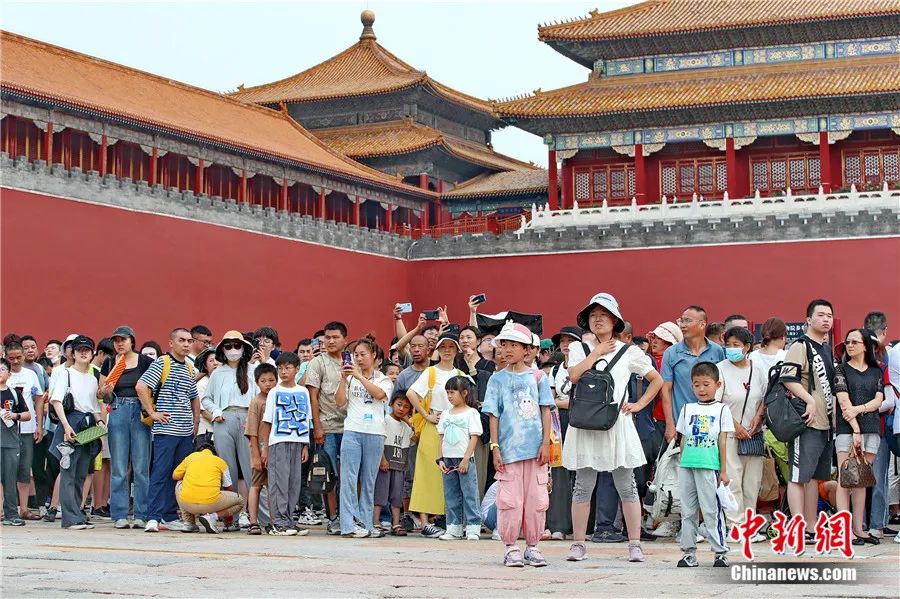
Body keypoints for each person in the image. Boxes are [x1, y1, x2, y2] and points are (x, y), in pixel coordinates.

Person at [563, 293, 663, 563]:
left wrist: (639, 404)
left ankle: (634, 544)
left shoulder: (629, 351)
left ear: (615, 321)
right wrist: (596, 352)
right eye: (593, 316)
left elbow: (656, 379)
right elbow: (573, 376)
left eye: (604, 315)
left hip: (616, 424)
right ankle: (579, 544)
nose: (597, 320)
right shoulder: (578, 348)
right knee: (583, 485)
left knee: (626, 484)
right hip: (585, 423)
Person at [482, 322, 554, 567]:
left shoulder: (538, 377)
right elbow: (494, 415)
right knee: (510, 501)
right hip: (509, 452)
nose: (509, 349)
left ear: (527, 350)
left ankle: (533, 546)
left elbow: (546, 411)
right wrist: (495, 447)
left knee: (536, 501)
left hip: (536, 452)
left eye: (515, 345)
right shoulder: (497, 380)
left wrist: (546, 443)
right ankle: (510, 546)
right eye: (505, 344)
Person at [779, 299, 836, 533]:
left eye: (829, 315)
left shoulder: (826, 348)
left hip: (826, 424)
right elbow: (788, 378)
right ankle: (798, 526)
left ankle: (811, 527)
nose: (826, 319)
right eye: (821, 315)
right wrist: (810, 400)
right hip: (808, 422)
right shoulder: (800, 346)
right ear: (808, 320)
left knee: (814, 477)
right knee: (798, 476)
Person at [136, 328, 200, 533]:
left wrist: (196, 421)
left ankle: (171, 516)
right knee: (160, 473)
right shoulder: (161, 363)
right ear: (171, 343)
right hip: (166, 430)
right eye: (182, 340)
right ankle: (153, 517)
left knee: (178, 476)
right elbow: (141, 386)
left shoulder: (190, 367)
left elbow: (193, 396)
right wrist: (152, 412)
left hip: (185, 431)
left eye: (189, 341)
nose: (186, 344)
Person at [407, 335, 466, 537]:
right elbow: (411, 393)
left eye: (451, 347)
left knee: (450, 474)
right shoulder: (430, 372)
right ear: (437, 350)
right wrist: (426, 415)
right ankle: (424, 523)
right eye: (443, 347)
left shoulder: (460, 374)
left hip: (455, 428)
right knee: (426, 473)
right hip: (433, 428)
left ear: (456, 350)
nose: (447, 351)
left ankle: (450, 520)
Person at [675, 362, 733, 568]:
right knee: (688, 511)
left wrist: (723, 470)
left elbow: (723, 440)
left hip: (710, 465)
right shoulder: (686, 409)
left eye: (706, 384)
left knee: (711, 511)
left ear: (717, 385)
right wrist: (682, 461)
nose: (701, 389)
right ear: (691, 386)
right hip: (687, 466)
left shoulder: (722, 409)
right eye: (697, 385)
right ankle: (688, 553)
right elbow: (682, 438)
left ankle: (720, 553)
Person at [335, 337, 393, 538]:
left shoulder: (383, 379)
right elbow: (340, 402)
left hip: (375, 433)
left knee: (369, 481)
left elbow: (379, 395)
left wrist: (359, 377)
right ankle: (348, 525)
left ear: (374, 355)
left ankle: (366, 524)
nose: (359, 359)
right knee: (349, 479)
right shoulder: (349, 378)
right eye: (355, 355)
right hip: (352, 430)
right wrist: (344, 378)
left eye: (363, 354)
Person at [98, 326, 155, 530]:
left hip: (140, 412)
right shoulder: (110, 363)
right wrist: (104, 391)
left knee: (141, 467)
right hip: (118, 409)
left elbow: (154, 387)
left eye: (123, 339)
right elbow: (101, 395)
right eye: (116, 340)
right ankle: (120, 514)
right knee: (119, 467)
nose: (119, 343)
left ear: (133, 340)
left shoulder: (146, 361)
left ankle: (141, 513)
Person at [202, 331, 258, 531]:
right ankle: (231, 519)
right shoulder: (218, 373)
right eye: (228, 346)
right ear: (222, 350)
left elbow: (261, 396)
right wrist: (216, 411)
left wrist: (254, 420)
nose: (233, 350)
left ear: (244, 349)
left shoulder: (253, 370)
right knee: (228, 470)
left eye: (237, 345)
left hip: (247, 420)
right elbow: (206, 399)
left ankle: (255, 518)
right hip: (223, 419)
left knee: (251, 469)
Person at [834, 329, 884, 545]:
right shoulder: (841, 369)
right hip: (847, 430)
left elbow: (879, 400)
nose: (850, 345)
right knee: (845, 480)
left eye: (855, 342)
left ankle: (859, 529)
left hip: (872, 428)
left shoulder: (876, 371)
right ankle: (844, 530)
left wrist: (859, 409)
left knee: (862, 480)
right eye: (847, 342)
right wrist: (855, 428)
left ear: (866, 346)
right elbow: (844, 403)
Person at [49, 335, 105, 530]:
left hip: (88, 426)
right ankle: (69, 518)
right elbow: (56, 401)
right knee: (68, 472)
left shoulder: (92, 378)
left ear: (92, 354)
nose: (83, 353)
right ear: (72, 353)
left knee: (82, 472)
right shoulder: (65, 374)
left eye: (87, 350)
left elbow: (94, 407)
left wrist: (100, 423)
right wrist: (65, 426)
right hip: (71, 422)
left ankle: (78, 515)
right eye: (79, 350)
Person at [717, 327, 767, 531]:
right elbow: (716, 402)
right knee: (733, 481)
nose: (731, 349)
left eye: (736, 345)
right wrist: (734, 426)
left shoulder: (757, 369)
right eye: (728, 345)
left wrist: (758, 418)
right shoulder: (720, 368)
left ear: (747, 347)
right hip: (729, 435)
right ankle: (735, 525)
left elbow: (764, 397)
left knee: (752, 483)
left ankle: (749, 526)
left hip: (753, 434)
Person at [305, 321, 349, 534]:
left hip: (351, 427)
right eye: (327, 337)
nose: (330, 341)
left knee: (350, 475)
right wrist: (317, 427)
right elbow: (312, 397)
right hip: (328, 427)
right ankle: (333, 518)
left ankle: (349, 515)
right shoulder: (318, 363)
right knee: (329, 475)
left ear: (344, 340)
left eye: (335, 337)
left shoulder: (352, 361)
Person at [260, 352, 310, 536]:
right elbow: (267, 421)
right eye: (280, 368)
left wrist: (305, 445)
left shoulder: (303, 391)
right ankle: (278, 523)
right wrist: (265, 448)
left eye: (288, 368)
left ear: (297, 369)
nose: (283, 372)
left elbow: (306, 419)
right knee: (278, 483)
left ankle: (289, 520)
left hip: (298, 442)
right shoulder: (274, 391)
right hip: (278, 442)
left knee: (294, 483)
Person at [661, 306, 725, 444]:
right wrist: (670, 424)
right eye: (681, 321)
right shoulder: (671, 353)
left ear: (702, 324)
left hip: (711, 423)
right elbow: (666, 390)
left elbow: (722, 386)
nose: (683, 325)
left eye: (687, 321)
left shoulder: (717, 351)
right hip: (682, 425)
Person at [546, 325, 582, 540]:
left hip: (581, 423)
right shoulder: (557, 370)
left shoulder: (587, 366)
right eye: (563, 341)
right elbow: (550, 401)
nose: (566, 345)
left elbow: (581, 402)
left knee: (580, 471)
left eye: (571, 340)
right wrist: (563, 403)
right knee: (558, 471)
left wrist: (562, 402)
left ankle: (581, 525)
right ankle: (558, 524)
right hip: (559, 423)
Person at [437, 375, 483, 541]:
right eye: (447, 392)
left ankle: (473, 526)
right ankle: (454, 526)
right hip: (448, 459)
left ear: (464, 393)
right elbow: (440, 437)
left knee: (469, 492)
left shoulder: (471, 413)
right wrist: (440, 458)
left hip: (464, 459)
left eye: (452, 392)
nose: (449, 396)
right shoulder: (445, 414)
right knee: (451, 494)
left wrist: (466, 458)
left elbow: (474, 437)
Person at [863, 311, 896, 540]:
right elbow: (890, 401)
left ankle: (873, 523)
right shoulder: (887, 358)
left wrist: (860, 408)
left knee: (866, 478)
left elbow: (889, 400)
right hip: (877, 427)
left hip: (867, 426)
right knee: (876, 477)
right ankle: (875, 524)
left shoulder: (882, 361)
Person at [4, 341, 43, 522]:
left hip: (26, 428)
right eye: (11, 358)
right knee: (5, 470)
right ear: (6, 357)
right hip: (5, 431)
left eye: (18, 357)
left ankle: (24, 508)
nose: (16, 361)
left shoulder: (31, 374)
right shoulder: (3, 374)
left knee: (24, 469)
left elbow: (39, 400)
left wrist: (39, 424)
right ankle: (4, 509)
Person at [173, 441, 243, 534]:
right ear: (214, 453)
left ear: (197, 451)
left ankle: (189, 523)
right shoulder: (220, 461)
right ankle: (213, 517)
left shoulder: (191, 457)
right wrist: (227, 517)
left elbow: (175, 476)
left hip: (188, 504)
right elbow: (228, 487)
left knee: (179, 483)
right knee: (240, 501)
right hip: (211, 504)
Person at [243, 362, 277, 535]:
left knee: (273, 487)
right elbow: (252, 432)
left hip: (275, 448)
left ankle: (273, 522)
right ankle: (253, 522)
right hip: (260, 448)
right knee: (256, 485)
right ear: (257, 383)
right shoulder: (256, 402)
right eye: (263, 381)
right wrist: (256, 455)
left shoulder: (277, 399)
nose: (268, 384)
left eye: (271, 380)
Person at [374, 391, 413, 536]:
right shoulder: (385, 420)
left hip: (400, 465)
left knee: (397, 496)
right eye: (399, 405)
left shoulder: (407, 427)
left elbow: (415, 438)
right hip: (386, 464)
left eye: (406, 407)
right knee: (380, 493)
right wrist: (382, 459)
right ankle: (375, 522)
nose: (402, 409)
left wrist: (410, 421)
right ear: (391, 404)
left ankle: (396, 523)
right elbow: (379, 441)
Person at [2, 358, 32, 526]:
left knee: (10, 478)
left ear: (9, 373)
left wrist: (15, 415)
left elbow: (27, 415)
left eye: (2, 369)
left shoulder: (14, 393)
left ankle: (11, 514)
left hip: (11, 441)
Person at [193, 347, 219, 446]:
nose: (215, 363)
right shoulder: (202, 384)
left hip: (223, 432)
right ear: (205, 366)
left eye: (218, 360)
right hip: (207, 433)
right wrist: (223, 425)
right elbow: (204, 412)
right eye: (211, 361)